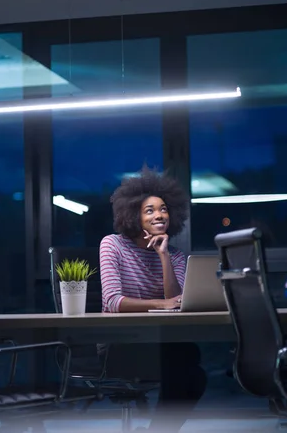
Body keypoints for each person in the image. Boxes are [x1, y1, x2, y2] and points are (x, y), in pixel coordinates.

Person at [99, 167, 207, 432]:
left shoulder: (176, 256)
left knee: (193, 370)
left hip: (160, 342)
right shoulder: (112, 245)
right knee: (184, 360)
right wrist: (162, 305)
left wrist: (164, 256)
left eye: (163, 209)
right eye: (149, 210)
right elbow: (113, 302)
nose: (159, 215)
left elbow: (177, 300)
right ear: (133, 215)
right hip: (120, 345)